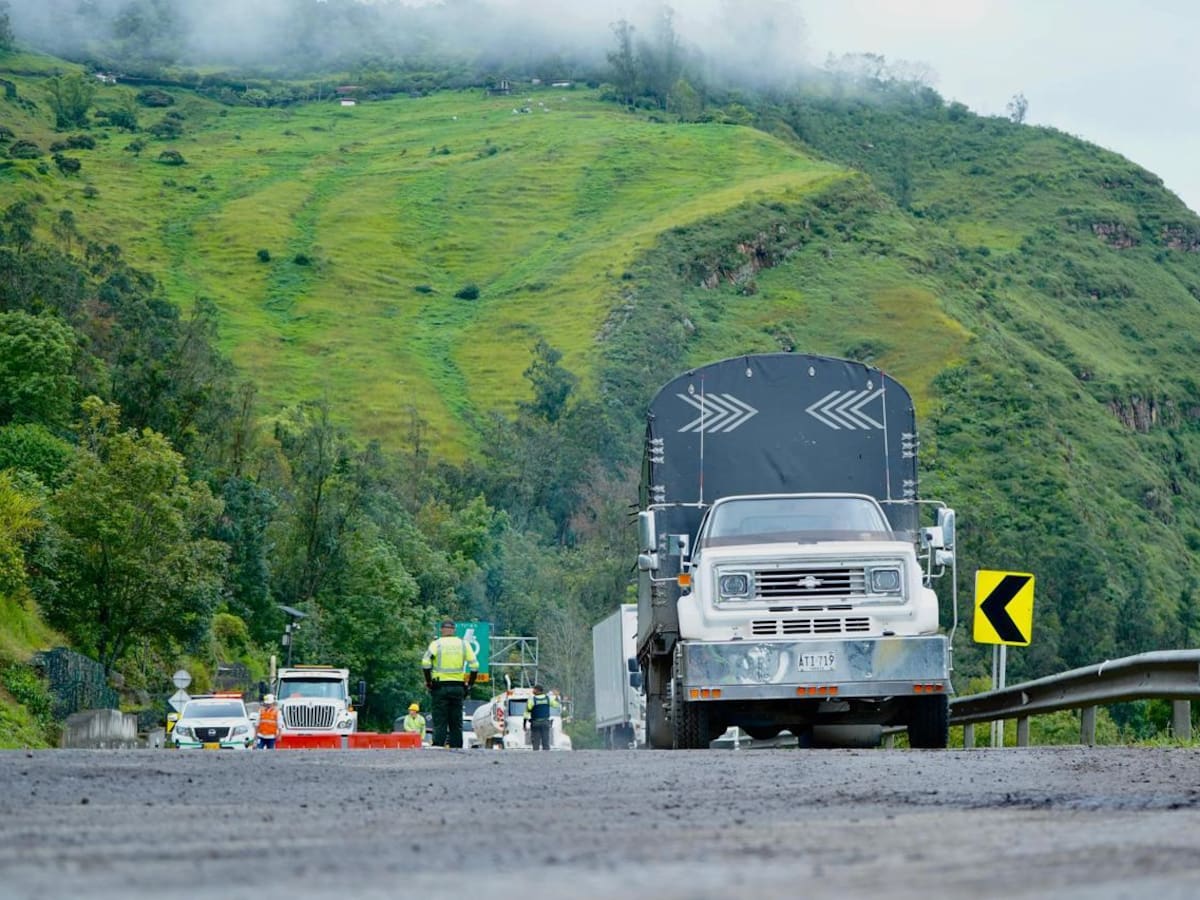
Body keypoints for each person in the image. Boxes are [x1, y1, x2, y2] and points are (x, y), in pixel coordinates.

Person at [421, 619, 478, 748]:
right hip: (458, 686)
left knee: (440, 719)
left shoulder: (436, 644)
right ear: (454, 630)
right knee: (456, 721)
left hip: (439, 686)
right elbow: (475, 666)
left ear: (441, 630)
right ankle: (456, 748)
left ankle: (438, 746)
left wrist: (429, 681)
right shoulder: (464, 644)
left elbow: (425, 663)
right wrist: (469, 685)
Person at [523, 684, 559, 751]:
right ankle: (546, 755)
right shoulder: (548, 699)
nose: (533, 691)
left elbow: (526, 713)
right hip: (545, 723)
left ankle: (536, 755)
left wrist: (524, 724)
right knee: (546, 742)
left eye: (534, 689)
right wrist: (557, 697)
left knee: (535, 743)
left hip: (535, 723)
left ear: (538, 690)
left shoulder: (532, 700)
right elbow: (556, 705)